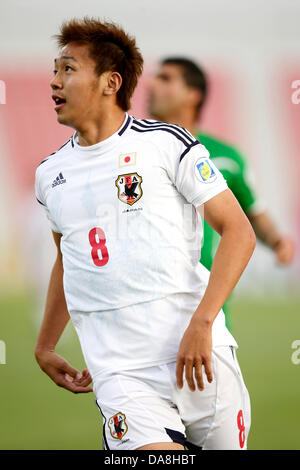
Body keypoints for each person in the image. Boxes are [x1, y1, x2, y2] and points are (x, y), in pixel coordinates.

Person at [34, 16, 256, 451]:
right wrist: (45, 345)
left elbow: (238, 232)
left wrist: (203, 323)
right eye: (53, 71)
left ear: (109, 82)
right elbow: (68, 260)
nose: (54, 82)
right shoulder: (50, 174)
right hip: (121, 374)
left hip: (201, 356)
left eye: (68, 69)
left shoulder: (166, 144)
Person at [147, 57, 295, 332]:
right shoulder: (131, 153)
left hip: (205, 302)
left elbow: (251, 212)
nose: (152, 84)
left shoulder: (226, 158)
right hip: (144, 300)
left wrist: (276, 240)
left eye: (166, 78)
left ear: (193, 94)